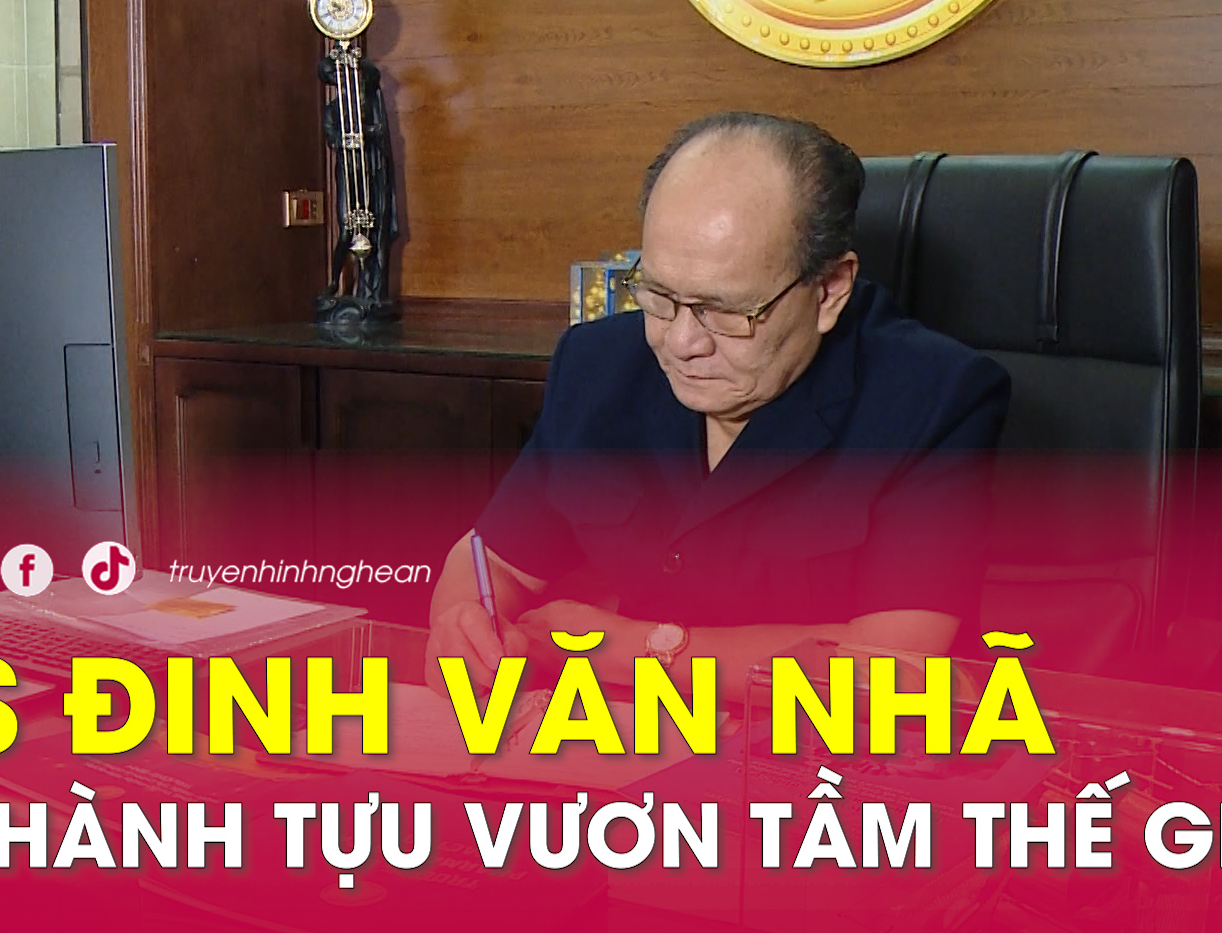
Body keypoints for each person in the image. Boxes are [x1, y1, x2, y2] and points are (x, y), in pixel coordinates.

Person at [424, 112, 1011, 695]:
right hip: (631, 733)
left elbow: (894, 667)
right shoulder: (597, 364)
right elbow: (492, 562)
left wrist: (632, 649)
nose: (681, 342)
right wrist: (463, 624)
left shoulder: (935, 398)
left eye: (726, 311)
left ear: (829, 290)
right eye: (658, 294)